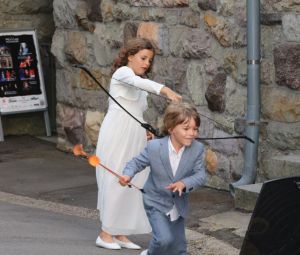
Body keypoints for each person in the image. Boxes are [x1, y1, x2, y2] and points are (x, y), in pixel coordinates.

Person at [95, 37, 182, 250]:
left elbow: (137, 111)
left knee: (134, 178)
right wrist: (165, 90)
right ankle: (105, 233)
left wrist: (146, 130)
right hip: (117, 132)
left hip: (134, 133)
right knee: (117, 176)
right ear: (130, 56)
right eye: (143, 58)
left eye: (149, 60)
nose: (146, 63)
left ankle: (121, 233)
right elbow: (139, 83)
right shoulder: (122, 73)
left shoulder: (137, 80)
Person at [119, 102, 207, 255]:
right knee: (163, 240)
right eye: (186, 129)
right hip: (155, 201)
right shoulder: (154, 147)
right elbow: (136, 162)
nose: (192, 133)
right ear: (171, 128)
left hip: (178, 204)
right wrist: (128, 174)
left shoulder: (197, 149)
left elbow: (200, 175)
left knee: (179, 248)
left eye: (195, 129)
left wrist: (184, 183)